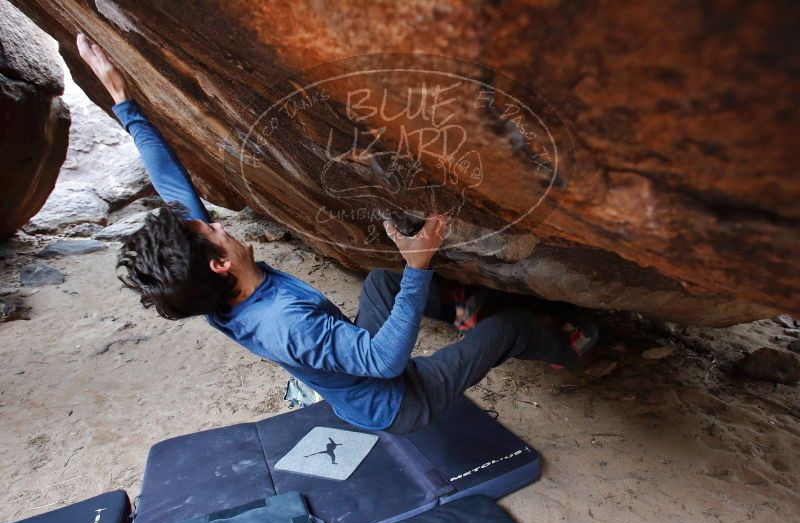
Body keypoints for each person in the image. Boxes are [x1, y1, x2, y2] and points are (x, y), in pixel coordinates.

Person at [76, 34, 598, 434]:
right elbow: (384, 362)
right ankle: (570, 348)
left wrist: (124, 101)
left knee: (379, 282)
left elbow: (175, 192)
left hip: (356, 372)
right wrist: (419, 265)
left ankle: (461, 309)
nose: (218, 224)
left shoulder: (213, 292)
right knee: (506, 330)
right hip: (399, 402)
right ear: (219, 263)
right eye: (212, 230)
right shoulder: (285, 323)